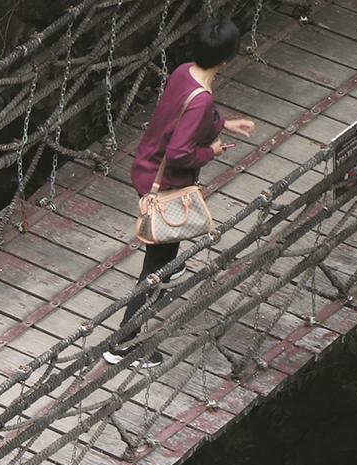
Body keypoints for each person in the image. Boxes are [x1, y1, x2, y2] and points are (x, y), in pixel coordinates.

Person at [104, 17, 256, 368]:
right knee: (156, 266)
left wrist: (225, 123)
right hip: (166, 184)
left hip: (147, 166)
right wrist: (211, 152)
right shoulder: (202, 98)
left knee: (165, 258)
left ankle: (165, 277)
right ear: (227, 57)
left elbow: (185, 114)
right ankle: (123, 344)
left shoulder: (185, 72)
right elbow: (179, 152)